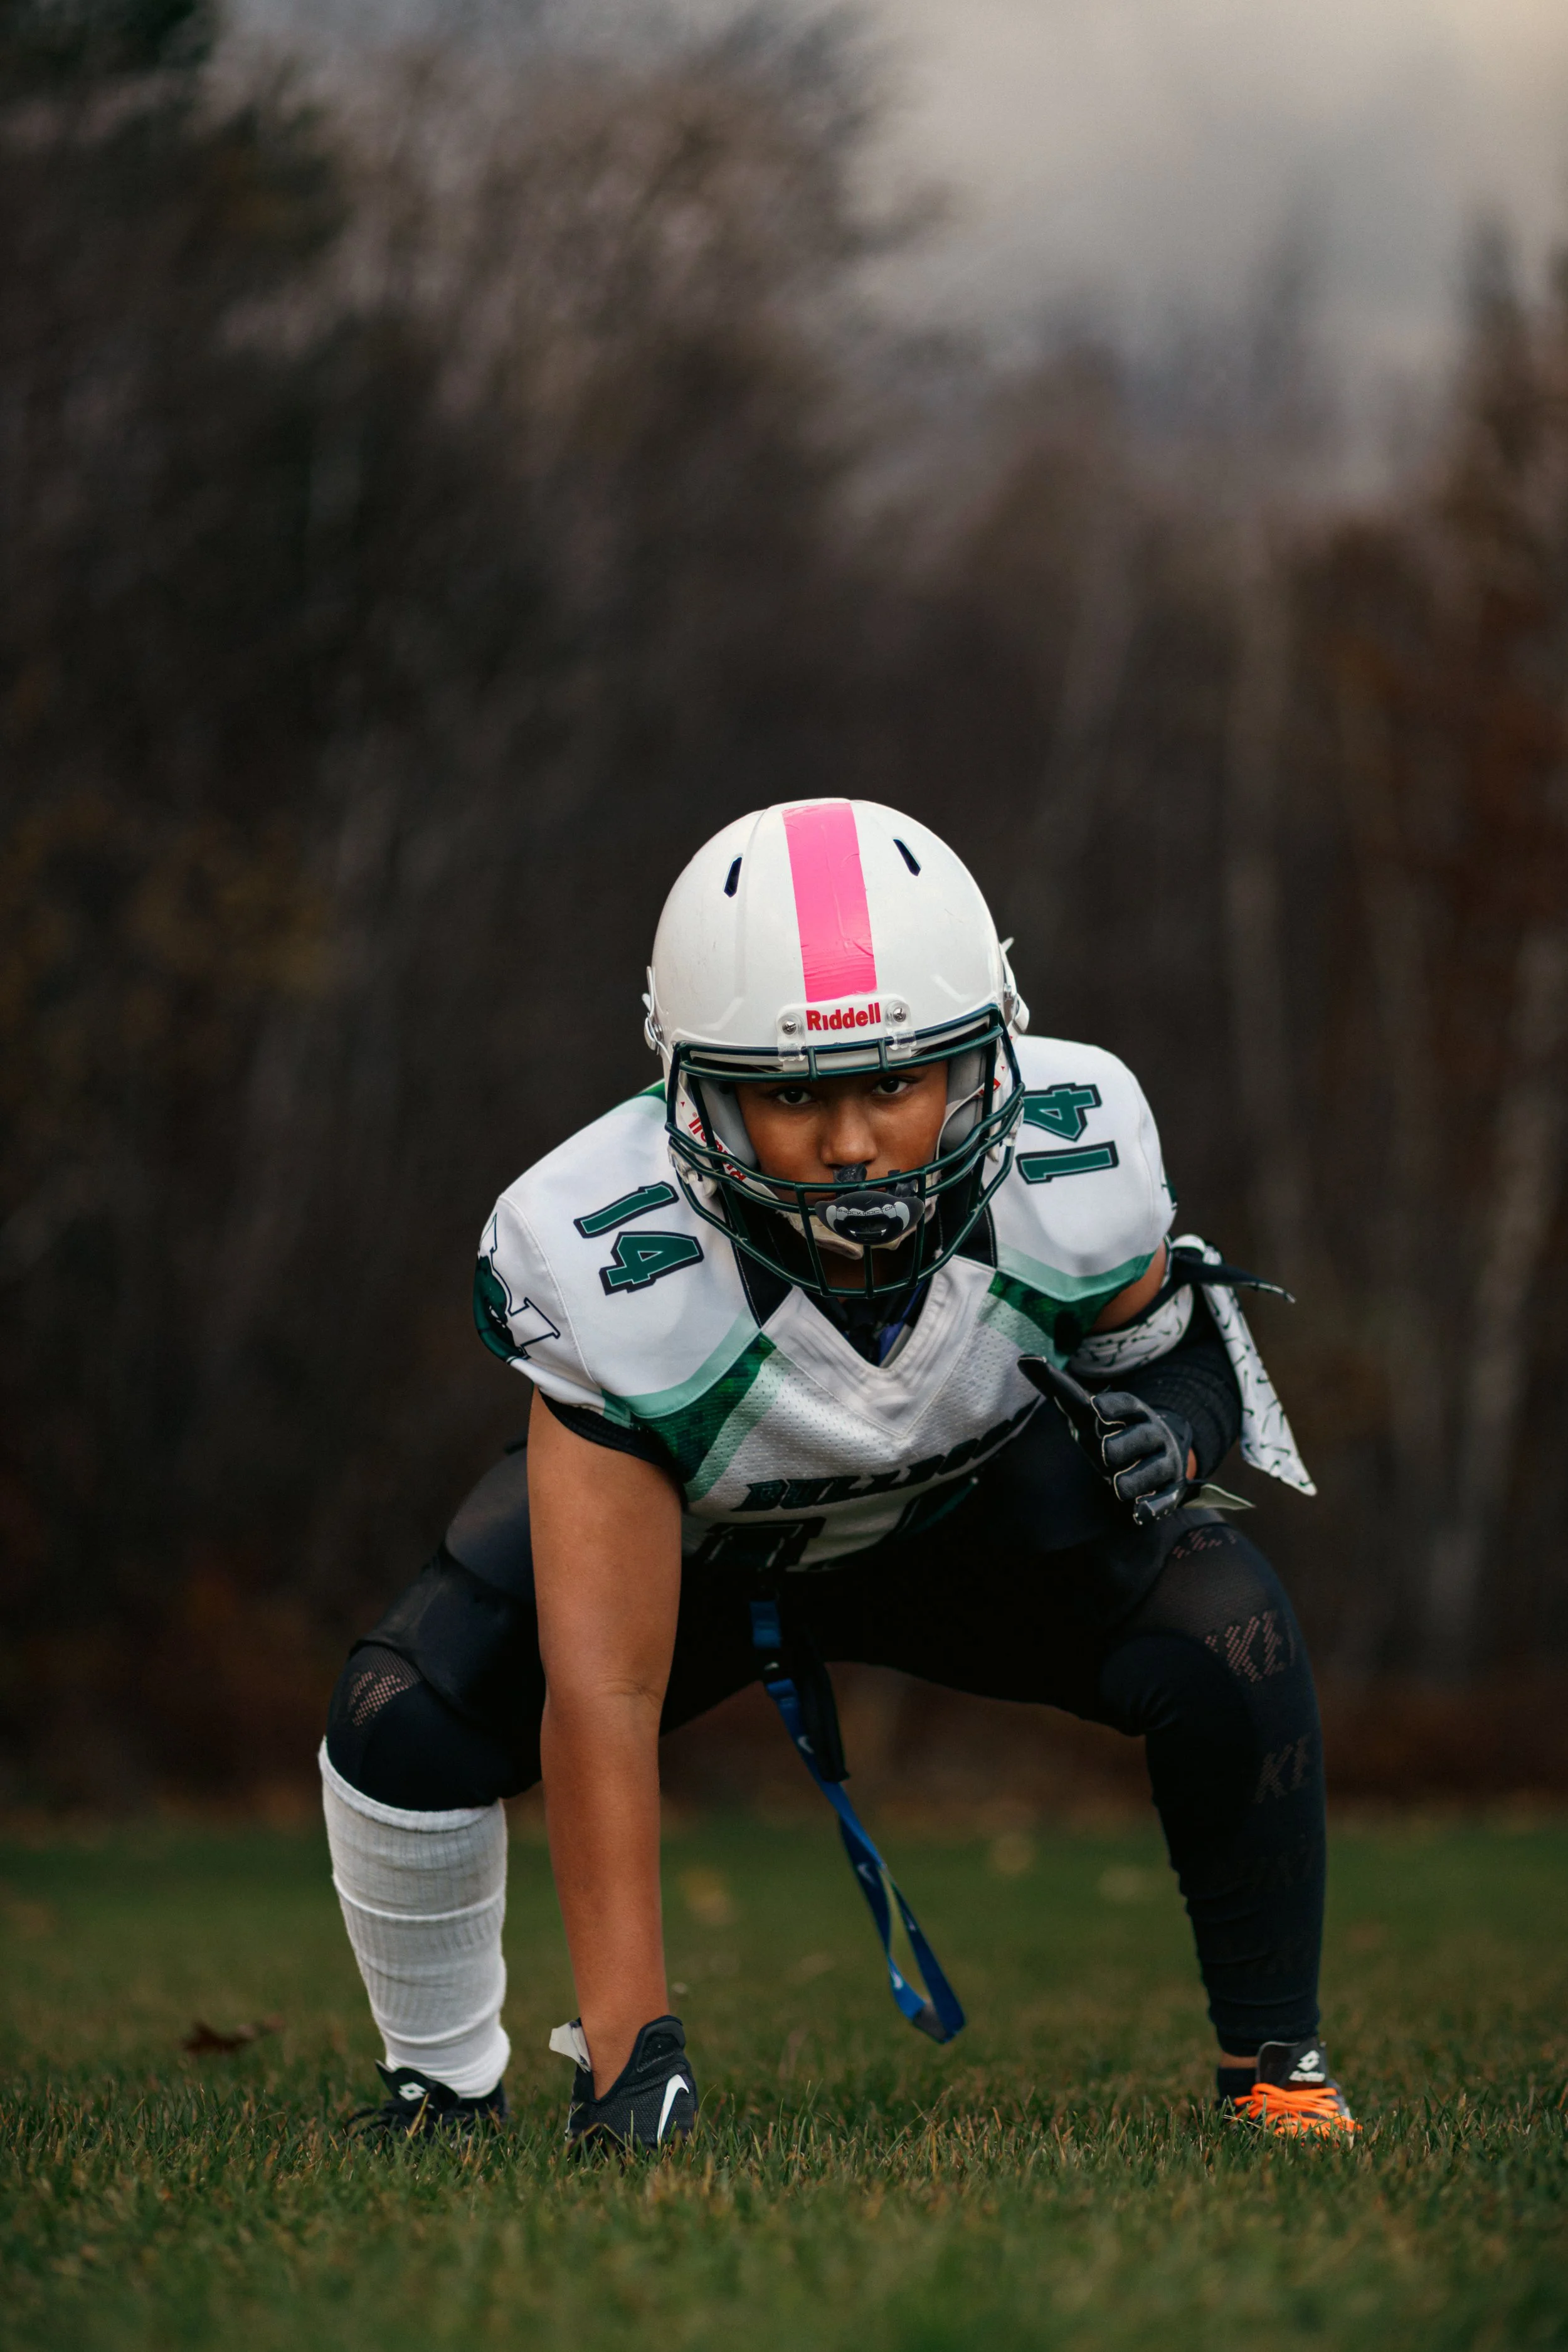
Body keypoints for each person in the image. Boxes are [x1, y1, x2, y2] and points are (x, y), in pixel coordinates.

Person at [320, 798, 1358, 2147]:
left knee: (1225, 1616)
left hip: (960, 1527)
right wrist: (635, 2050)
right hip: (711, 1559)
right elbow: (607, 1688)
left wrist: (1177, 1432)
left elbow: (1181, 1343)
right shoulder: (603, 1249)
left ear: (983, 1062)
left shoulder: (1076, 1146)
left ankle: (1271, 2065)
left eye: (892, 1082)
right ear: (695, 1088)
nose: (854, 1143)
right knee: (406, 1701)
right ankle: (443, 2090)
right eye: (794, 1092)